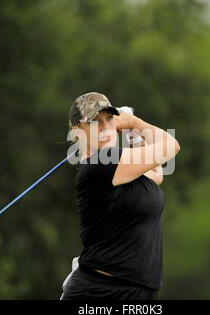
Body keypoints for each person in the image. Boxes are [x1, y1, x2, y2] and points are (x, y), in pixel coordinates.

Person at [61, 92, 180, 300]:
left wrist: (134, 135)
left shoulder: (117, 168)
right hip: (102, 293)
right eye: (95, 122)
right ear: (77, 132)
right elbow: (171, 146)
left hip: (138, 293)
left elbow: (155, 175)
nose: (106, 127)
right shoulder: (100, 164)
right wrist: (133, 121)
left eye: (109, 119)